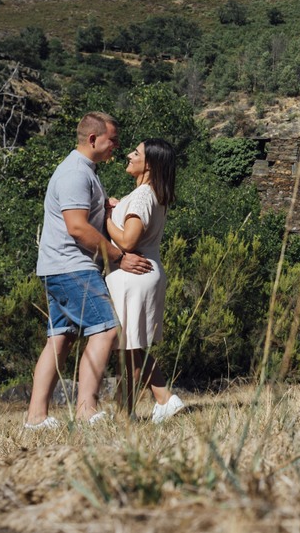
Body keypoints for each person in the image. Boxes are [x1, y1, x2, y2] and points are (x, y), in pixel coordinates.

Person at [24, 112, 153, 429]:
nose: (117, 147)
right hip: (72, 266)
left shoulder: (84, 172)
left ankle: (36, 418)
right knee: (107, 330)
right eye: (113, 140)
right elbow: (77, 227)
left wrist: (107, 209)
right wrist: (118, 257)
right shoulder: (75, 174)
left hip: (59, 266)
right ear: (93, 139)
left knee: (61, 339)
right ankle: (85, 410)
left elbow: (85, 219)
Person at [105, 138, 186, 423]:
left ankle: (123, 413)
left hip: (134, 274)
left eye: (135, 152)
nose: (129, 155)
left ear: (149, 163)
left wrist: (105, 218)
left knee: (128, 349)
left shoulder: (141, 196)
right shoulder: (152, 194)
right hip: (144, 272)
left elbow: (128, 240)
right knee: (134, 346)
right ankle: (164, 399)